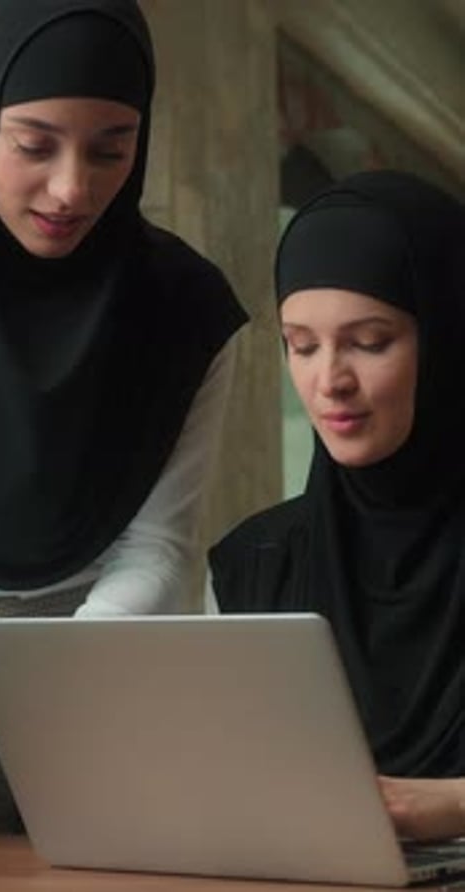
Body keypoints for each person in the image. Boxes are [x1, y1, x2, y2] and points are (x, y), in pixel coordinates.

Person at [0, 0, 247, 830]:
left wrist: (62, 683)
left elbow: (159, 545)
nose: (71, 188)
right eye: (34, 145)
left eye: (111, 148)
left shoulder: (185, 308)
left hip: (102, 661)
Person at [208, 170, 465, 842]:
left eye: (369, 342)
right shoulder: (258, 562)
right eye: (301, 345)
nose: (329, 381)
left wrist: (455, 805)